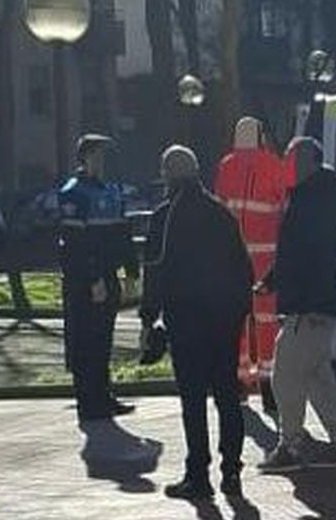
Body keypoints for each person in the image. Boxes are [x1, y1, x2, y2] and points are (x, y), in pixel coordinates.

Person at [142, 145, 254, 500]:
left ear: (168, 175)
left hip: (187, 318)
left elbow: (154, 271)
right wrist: (238, 311)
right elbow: (243, 267)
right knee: (227, 395)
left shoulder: (166, 216)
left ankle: (198, 475)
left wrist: (148, 319)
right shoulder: (221, 213)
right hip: (224, 319)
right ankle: (233, 471)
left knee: (193, 400)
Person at [258, 137, 336, 473]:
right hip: (319, 304)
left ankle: (290, 446)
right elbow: (298, 253)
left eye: (291, 158)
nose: (287, 165)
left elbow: (302, 255)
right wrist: (271, 280)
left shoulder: (311, 200)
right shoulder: (323, 195)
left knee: (284, 376)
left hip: (308, 306)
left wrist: (281, 285)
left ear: (308, 161)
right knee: (318, 378)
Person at [57, 134, 139, 424]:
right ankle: (88, 403)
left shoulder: (110, 191)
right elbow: (74, 244)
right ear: (85, 157)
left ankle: (103, 396)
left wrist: (131, 273)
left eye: (104, 154)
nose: (102, 160)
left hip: (108, 275)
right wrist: (93, 279)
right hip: (85, 280)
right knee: (85, 342)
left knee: (103, 340)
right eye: (97, 154)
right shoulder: (73, 192)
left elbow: (122, 234)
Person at [213, 117, 288, 390]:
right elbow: (283, 209)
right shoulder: (273, 165)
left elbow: (219, 208)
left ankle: (240, 376)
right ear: (260, 137)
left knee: (237, 317)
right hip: (266, 255)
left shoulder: (226, 166)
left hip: (232, 257)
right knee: (267, 319)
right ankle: (269, 376)